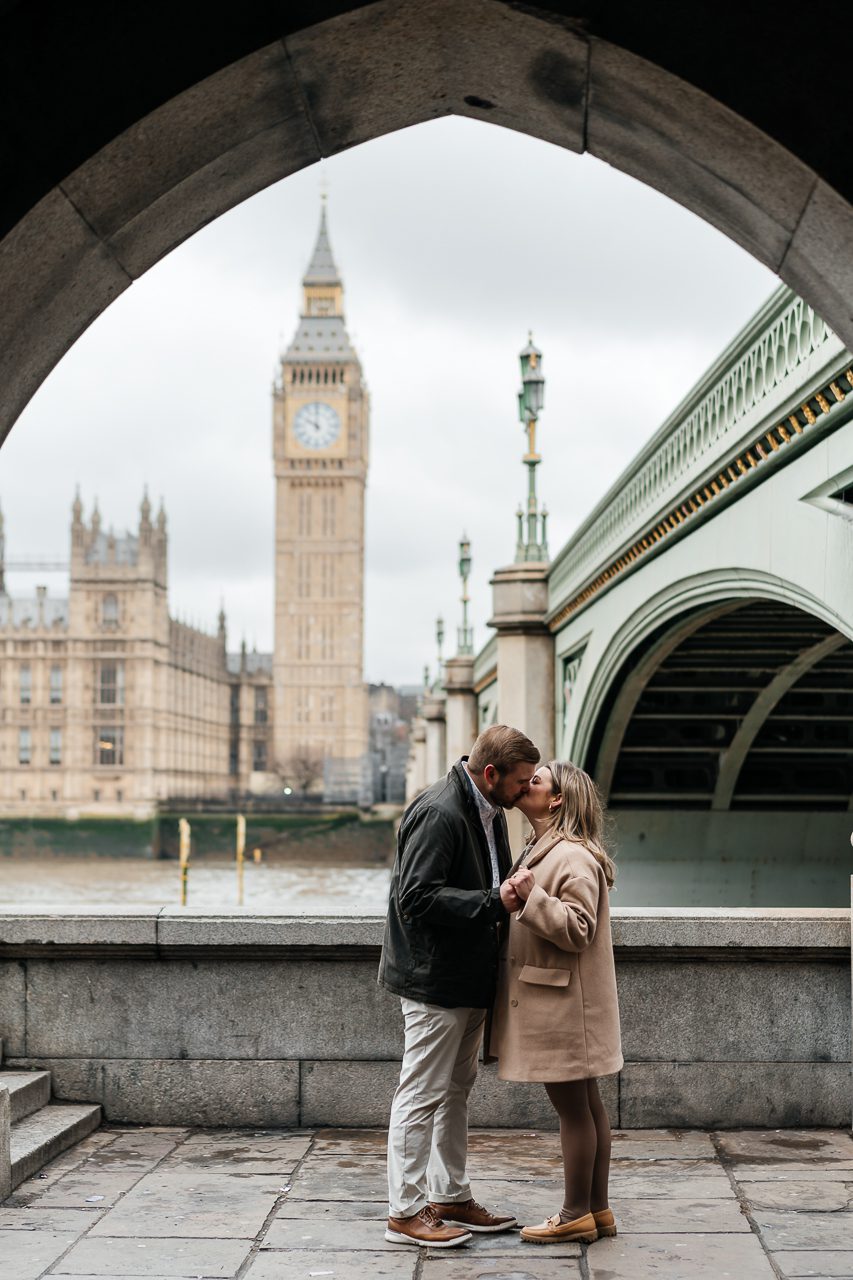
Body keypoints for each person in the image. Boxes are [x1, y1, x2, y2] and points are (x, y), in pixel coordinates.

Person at [378, 724, 540, 1248]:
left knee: (454, 1091)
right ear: (490, 774)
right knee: (421, 1092)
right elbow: (417, 899)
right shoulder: (440, 812)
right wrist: (498, 901)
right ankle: (404, 1212)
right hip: (434, 979)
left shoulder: (488, 809)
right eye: (520, 782)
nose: (526, 790)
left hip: (467, 976)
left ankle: (450, 1196)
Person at [490, 760, 622, 1244]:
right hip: (564, 1002)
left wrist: (530, 898)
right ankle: (598, 1210)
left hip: (563, 1006)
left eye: (537, 780)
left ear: (558, 799)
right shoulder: (546, 848)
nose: (526, 785)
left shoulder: (571, 858)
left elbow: (579, 929)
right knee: (586, 1106)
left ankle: (573, 1215)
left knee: (574, 1110)